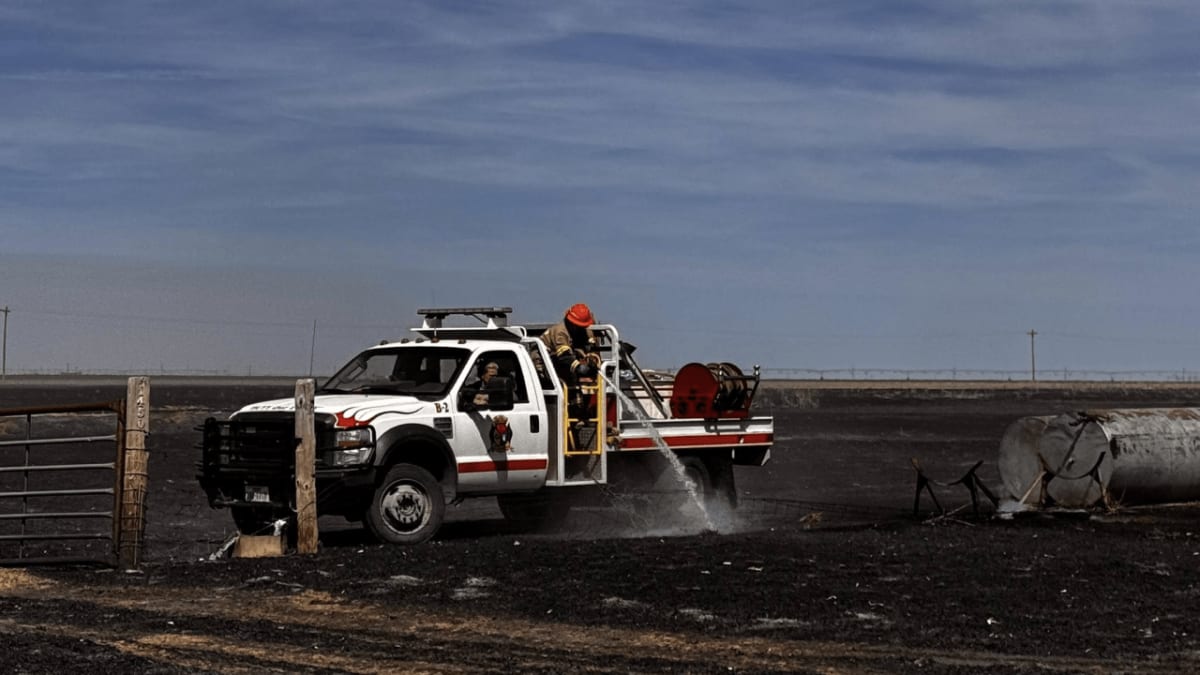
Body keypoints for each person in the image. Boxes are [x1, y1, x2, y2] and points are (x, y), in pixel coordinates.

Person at [539, 303, 600, 386]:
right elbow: (564, 357)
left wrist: (592, 362)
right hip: (543, 361)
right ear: (573, 324)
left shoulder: (583, 330)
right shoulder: (561, 332)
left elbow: (591, 347)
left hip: (561, 361)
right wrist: (580, 368)